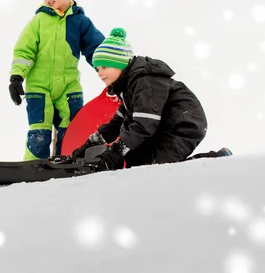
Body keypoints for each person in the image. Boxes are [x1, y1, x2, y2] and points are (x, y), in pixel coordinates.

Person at [72, 27, 232, 171]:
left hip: (181, 123)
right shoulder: (127, 89)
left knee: (160, 169)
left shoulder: (144, 82)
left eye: (104, 67)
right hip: (160, 126)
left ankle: (217, 159)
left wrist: (116, 151)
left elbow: (143, 125)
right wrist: (89, 144)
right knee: (136, 164)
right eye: (97, 69)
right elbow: (116, 125)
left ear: (120, 65)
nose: (99, 73)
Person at [9, 0, 105, 160]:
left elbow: (96, 49)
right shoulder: (38, 22)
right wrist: (16, 77)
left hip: (69, 87)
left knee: (72, 130)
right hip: (39, 87)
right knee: (40, 133)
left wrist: (113, 68)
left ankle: (67, 160)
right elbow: (24, 51)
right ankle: (34, 166)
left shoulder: (80, 22)